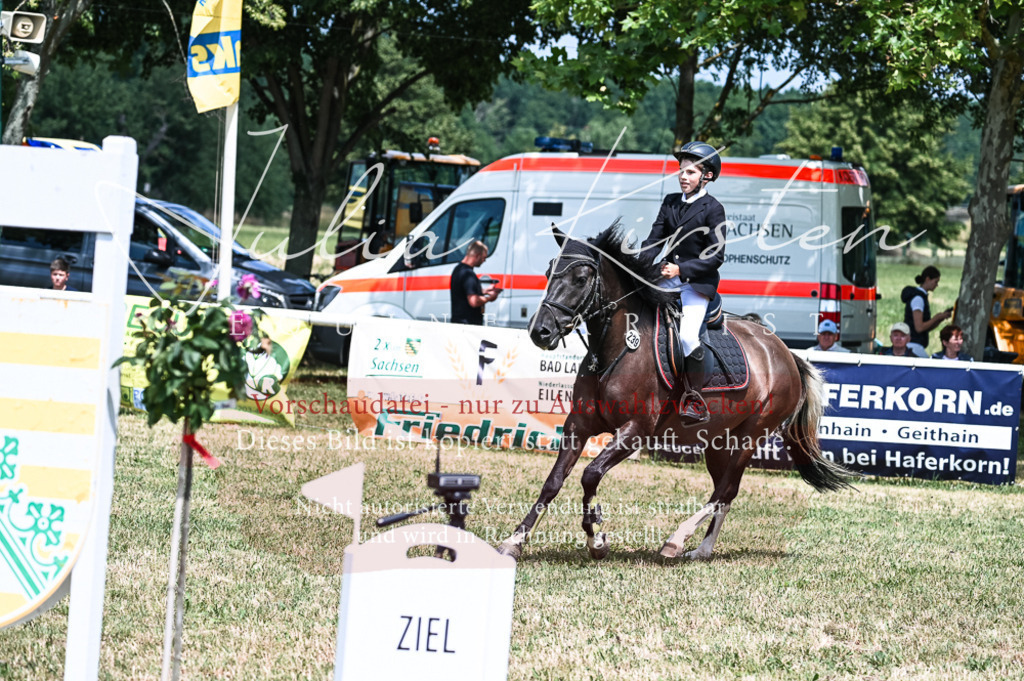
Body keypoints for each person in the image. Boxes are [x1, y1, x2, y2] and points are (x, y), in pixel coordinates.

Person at [640, 141, 727, 424]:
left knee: (688, 336)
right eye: (681, 171)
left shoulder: (713, 209)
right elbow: (654, 240)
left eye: (690, 172)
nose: (682, 176)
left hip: (695, 284)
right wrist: (636, 263)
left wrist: (680, 270)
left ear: (707, 176)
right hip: (667, 277)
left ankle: (694, 398)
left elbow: (716, 256)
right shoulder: (670, 202)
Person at [901, 265, 952, 357]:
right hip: (913, 345)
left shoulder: (921, 297)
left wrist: (940, 318)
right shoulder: (918, 299)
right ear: (927, 279)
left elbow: (926, 328)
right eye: (935, 281)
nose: (937, 285)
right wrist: (936, 317)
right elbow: (919, 327)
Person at [450, 240, 500, 325]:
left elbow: (465, 292)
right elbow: (474, 301)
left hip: (459, 323)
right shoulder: (468, 274)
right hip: (468, 325)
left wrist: (485, 291)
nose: (484, 261)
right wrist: (490, 298)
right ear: (477, 256)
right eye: (484, 257)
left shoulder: (458, 269)